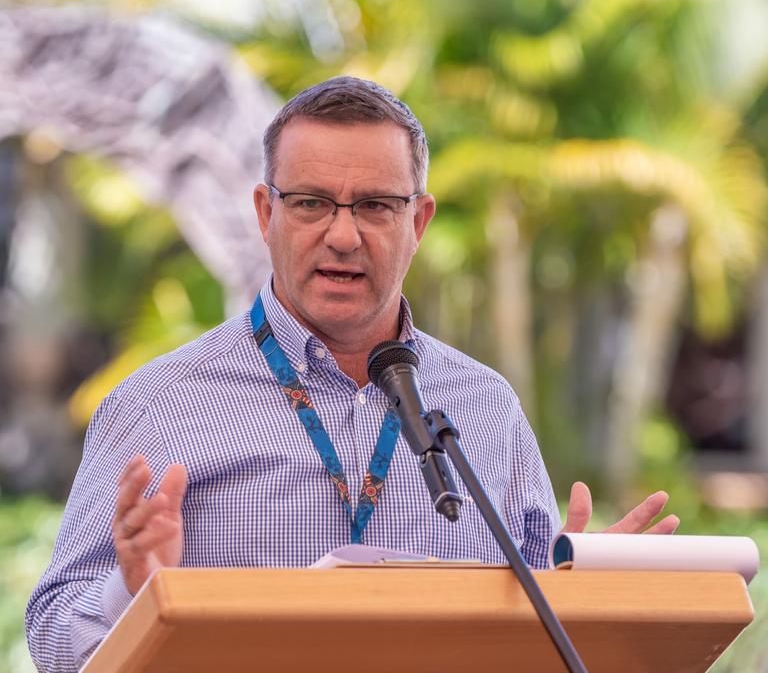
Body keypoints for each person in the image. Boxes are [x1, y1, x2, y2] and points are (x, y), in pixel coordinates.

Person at [26, 77, 678, 672]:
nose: (343, 235)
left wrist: (592, 591)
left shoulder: (486, 408)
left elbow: (539, 612)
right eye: (311, 203)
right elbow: (52, 637)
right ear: (265, 214)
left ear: (417, 221)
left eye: (374, 206)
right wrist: (133, 591)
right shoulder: (158, 405)